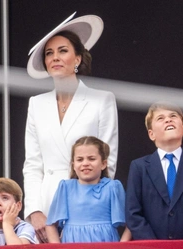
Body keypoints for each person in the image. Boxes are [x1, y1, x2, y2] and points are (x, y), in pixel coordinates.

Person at [23, 12, 118, 242]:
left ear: (77, 59)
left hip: (88, 212)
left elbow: (108, 162)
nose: (55, 57)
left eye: (63, 50)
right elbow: (33, 164)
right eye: (49, 53)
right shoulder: (36, 104)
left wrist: (87, 207)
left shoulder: (102, 99)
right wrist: (34, 210)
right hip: (46, 211)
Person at [126, 101, 183, 240]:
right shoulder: (139, 167)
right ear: (151, 134)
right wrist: (154, 245)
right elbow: (133, 213)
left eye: (173, 116)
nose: (168, 119)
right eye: (160, 118)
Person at [45, 136, 130, 243]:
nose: (85, 163)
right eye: (80, 159)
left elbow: (131, 223)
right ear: (73, 165)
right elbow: (51, 225)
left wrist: (121, 246)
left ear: (103, 164)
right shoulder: (65, 188)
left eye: (91, 158)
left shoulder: (113, 187)